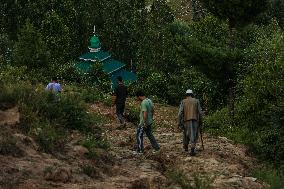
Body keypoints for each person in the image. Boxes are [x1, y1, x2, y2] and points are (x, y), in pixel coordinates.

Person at [178, 89, 203, 156]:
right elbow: (200, 113)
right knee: (194, 134)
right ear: (192, 95)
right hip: (195, 120)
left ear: (186, 95)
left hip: (186, 121)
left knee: (186, 134)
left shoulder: (183, 101)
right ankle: (192, 148)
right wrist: (201, 121)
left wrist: (179, 122)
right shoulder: (196, 101)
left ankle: (186, 147)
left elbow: (180, 113)